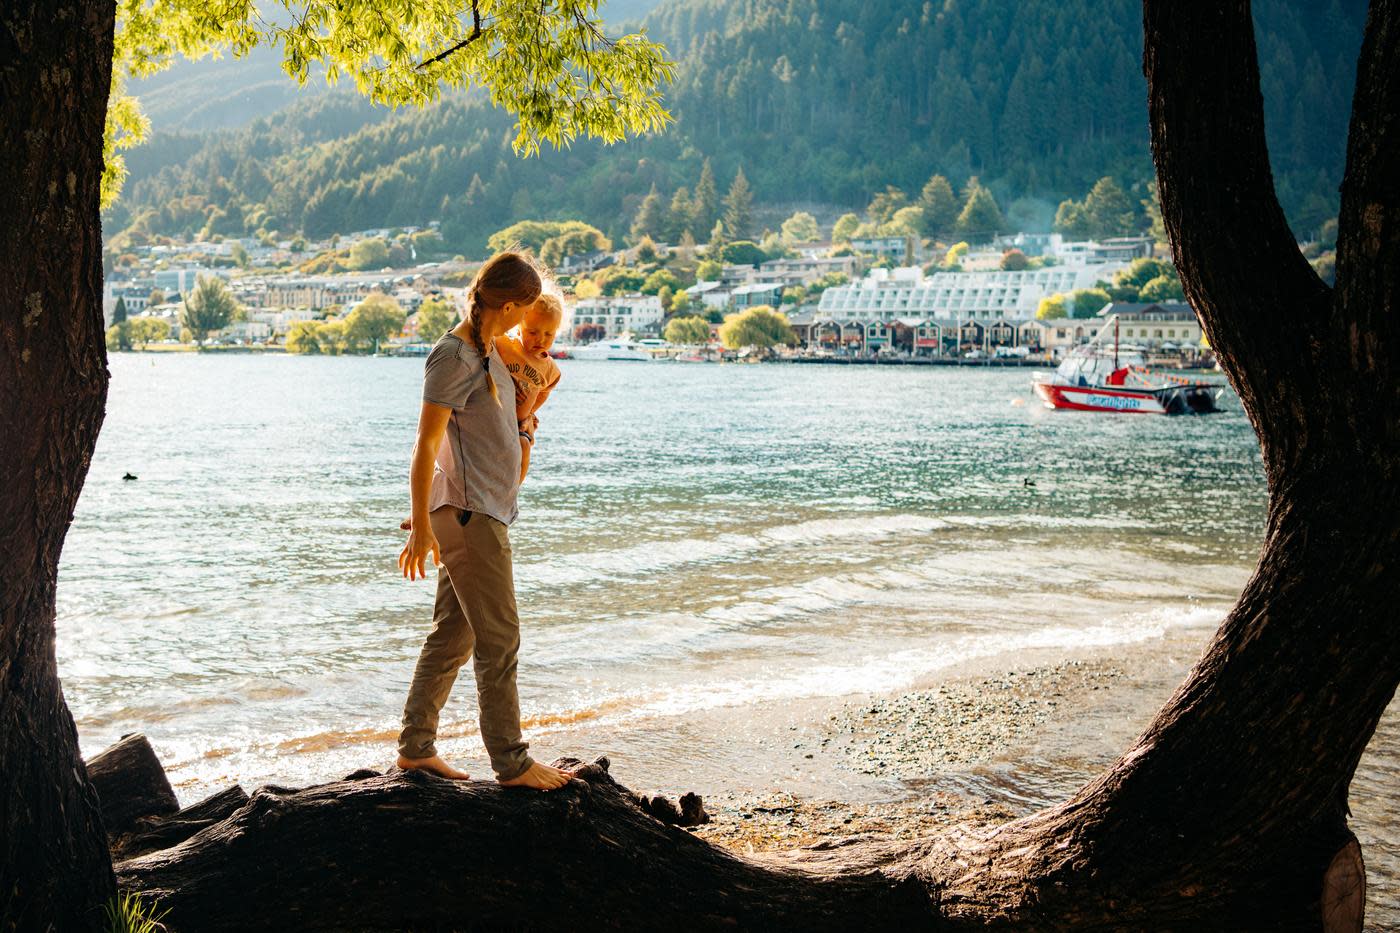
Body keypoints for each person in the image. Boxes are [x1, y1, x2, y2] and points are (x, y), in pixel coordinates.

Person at [395, 251, 572, 791]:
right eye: (528, 308)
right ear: (514, 305)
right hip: (471, 517)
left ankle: (416, 748)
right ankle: (512, 763)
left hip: (477, 510)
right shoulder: (452, 355)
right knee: (501, 640)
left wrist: (525, 428)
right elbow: (425, 446)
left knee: (454, 635)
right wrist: (426, 523)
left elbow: (495, 424)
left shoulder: (488, 347)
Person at [495, 292, 563, 482]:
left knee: (524, 445)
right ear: (519, 325)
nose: (540, 339)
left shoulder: (549, 368)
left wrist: (531, 413)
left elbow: (546, 389)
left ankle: (514, 486)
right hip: (496, 414)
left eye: (549, 334)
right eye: (532, 332)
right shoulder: (506, 344)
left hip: (520, 423)